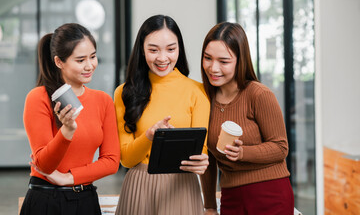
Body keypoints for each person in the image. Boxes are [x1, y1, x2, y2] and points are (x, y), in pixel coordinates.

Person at [113, 14, 210, 215]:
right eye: (153, 50)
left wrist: (202, 160)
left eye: (171, 49)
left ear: (179, 49)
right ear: (142, 50)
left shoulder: (198, 92)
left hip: (182, 187)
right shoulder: (124, 93)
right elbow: (126, 160)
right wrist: (149, 136)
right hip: (139, 187)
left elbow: (201, 149)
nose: (163, 58)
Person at [20, 23, 120, 215]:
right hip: (46, 201)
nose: (90, 65)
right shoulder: (38, 97)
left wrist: (69, 178)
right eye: (80, 60)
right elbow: (44, 164)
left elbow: (111, 161)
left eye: (93, 56)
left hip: (85, 200)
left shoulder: (103, 101)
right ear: (59, 62)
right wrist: (66, 131)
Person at [200, 22, 294, 215]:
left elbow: (281, 147)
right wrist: (209, 205)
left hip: (270, 194)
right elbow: (207, 157)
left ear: (240, 61)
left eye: (224, 61)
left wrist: (243, 153)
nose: (213, 68)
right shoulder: (203, 99)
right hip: (231, 197)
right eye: (208, 58)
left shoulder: (259, 95)